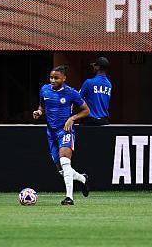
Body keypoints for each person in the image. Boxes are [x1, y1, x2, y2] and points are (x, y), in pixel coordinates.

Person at [33, 65, 91, 205]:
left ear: (64, 78)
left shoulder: (71, 93)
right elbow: (42, 106)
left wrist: (72, 118)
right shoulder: (44, 89)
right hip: (51, 133)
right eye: (51, 77)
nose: (53, 80)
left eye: (56, 78)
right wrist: (39, 112)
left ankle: (69, 197)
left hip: (65, 131)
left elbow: (86, 111)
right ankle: (82, 178)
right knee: (62, 170)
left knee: (65, 162)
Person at [79, 57, 113, 126]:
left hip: (90, 121)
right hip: (104, 121)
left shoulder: (89, 82)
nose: (93, 67)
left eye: (95, 66)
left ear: (97, 67)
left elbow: (78, 99)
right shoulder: (109, 84)